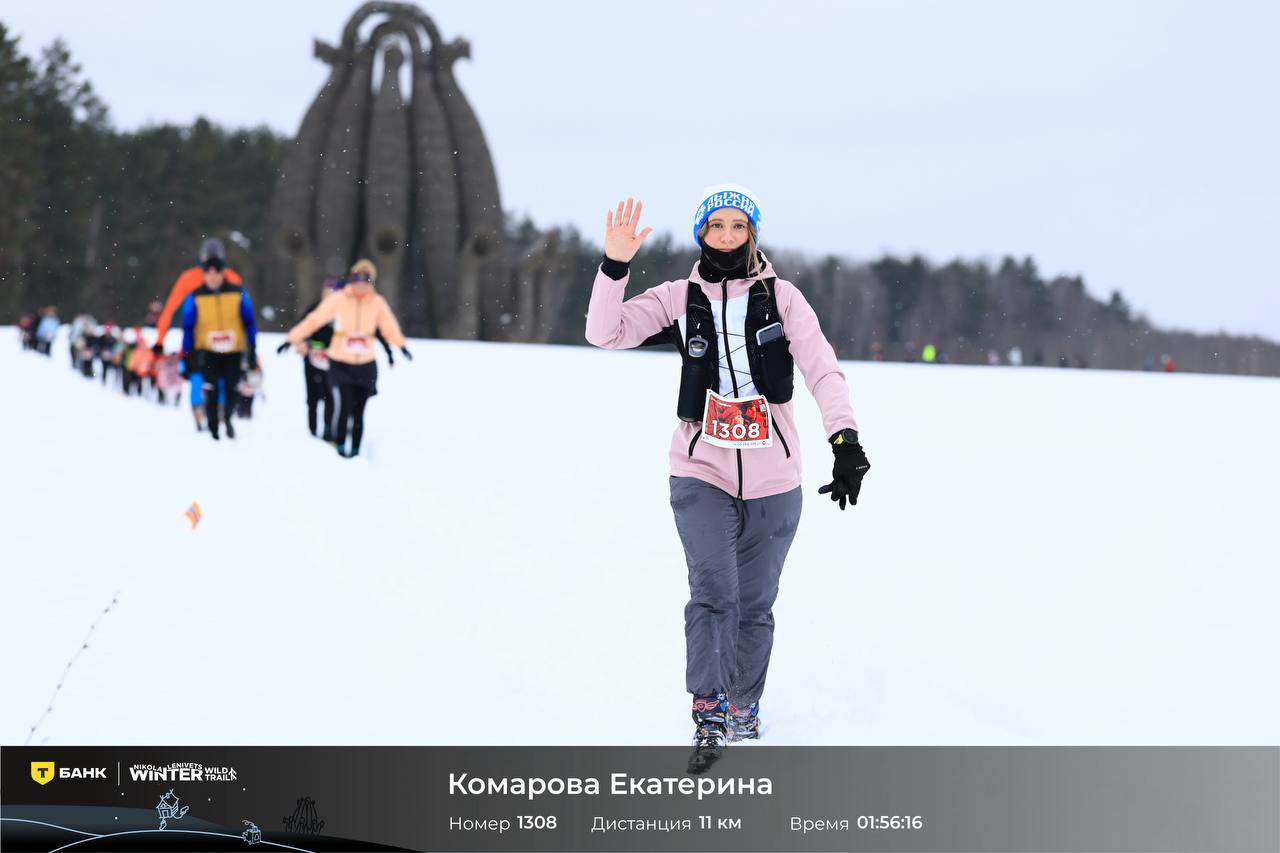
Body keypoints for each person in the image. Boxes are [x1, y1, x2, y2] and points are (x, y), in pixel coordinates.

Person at [584, 188, 871, 774]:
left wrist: (845, 441)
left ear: (752, 233)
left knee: (755, 605)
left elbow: (822, 368)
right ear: (701, 234)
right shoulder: (677, 297)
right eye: (715, 226)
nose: (726, 235)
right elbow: (604, 332)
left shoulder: (783, 298)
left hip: (776, 476)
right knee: (714, 593)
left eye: (738, 226)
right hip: (700, 471)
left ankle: (744, 707)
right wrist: (614, 265)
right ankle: (709, 712)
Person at [279, 259, 411, 458]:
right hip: (340, 362)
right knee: (343, 406)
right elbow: (314, 320)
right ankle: (340, 447)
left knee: (358, 411)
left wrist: (400, 346)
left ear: (371, 281)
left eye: (366, 278)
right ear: (352, 278)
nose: (361, 282)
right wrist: (292, 339)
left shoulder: (377, 303)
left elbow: (389, 327)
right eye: (357, 277)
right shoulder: (339, 299)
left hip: (366, 364)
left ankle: (355, 450)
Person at [156, 238, 245, 431]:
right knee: (215, 378)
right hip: (212, 338)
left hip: (203, 339)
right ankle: (217, 412)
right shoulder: (229, 276)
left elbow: (170, 310)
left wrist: (160, 340)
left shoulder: (190, 277)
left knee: (199, 376)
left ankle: (204, 412)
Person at [180, 252, 258, 440]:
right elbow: (188, 327)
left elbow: (249, 322)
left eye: (217, 272)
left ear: (223, 273)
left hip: (234, 351)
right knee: (211, 390)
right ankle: (214, 429)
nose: (213, 277)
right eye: (209, 272)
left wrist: (252, 348)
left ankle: (229, 418)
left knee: (232, 389)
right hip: (208, 351)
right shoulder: (195, 296)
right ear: (204, 274)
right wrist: (186, 354)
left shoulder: (237, 292)